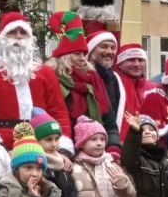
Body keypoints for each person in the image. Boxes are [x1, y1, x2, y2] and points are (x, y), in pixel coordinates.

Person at [0, 12, 72, 149]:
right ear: (2, 38)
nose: (18, 36)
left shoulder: (46, 73)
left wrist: (64, 146)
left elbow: (58, 113)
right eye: (12, 32)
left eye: (23, 32)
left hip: (44, 144)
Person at [46, 11, 121, 153]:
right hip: (63, 149)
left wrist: (113, 148)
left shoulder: (93, 80)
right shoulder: (53, 80)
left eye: (83, 54)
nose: (82, 59)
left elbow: (110, 124)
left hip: (97, 150)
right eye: (77, 54)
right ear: (64, 57)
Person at [97, 41, 157, 142]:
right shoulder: (113, 85)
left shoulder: (154, 88)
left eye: (140, 60)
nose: (137, 64)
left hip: (150, 142)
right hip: (121, 143)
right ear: (119, 63)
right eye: (131, 60)